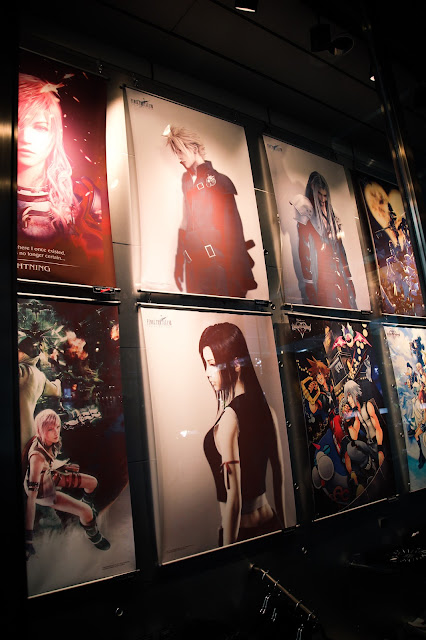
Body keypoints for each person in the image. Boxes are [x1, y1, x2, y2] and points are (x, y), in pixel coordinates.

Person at [199, 322, 286, 547]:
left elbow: (234, 499)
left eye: (212, 364)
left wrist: (227, 551)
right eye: (205, 364)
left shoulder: (230, 418)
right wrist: (285, 528)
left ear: (237, 363)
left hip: (242, 534)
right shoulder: (268, 411)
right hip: (272, 523)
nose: (207, 373)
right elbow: (280, 478)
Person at [163, 124, 257, 298]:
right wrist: (179, 262)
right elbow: (186, 220)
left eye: (180, 151)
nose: (179, 158)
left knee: (220, 309)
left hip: (217, 264)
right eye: (176, 153)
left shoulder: (220, 181)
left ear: (194, 148)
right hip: (193, 264)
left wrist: (240, 275)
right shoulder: (186, 180)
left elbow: (234, 230)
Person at [17, 73, 103, 245]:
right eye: (17, 125)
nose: (25, 138)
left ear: (55, 134)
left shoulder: (84, 196)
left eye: (40, 127)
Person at [24, 409, 110, 559]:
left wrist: (62, 467)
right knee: (86, 512)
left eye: (57, 427)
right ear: (41, 430)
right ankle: (93, 535)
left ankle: (86, 503)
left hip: (50, 476)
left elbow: (66, 418)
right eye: (50, 429)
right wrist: (28, 538)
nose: (56, 432)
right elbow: (31, 499)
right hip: (44, 493)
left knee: (92, 483)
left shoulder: (49, 440)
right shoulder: (36, 457)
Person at [292, 171, 356, 308]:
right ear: (313, 192)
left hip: (339, 272)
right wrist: (309, 282)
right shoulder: (306, 213)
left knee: (347, 308)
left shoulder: (332, 215)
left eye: (325, 195)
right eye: (319, 194)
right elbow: (304, 250)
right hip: (321, 275)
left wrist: (349, 278)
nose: (322, 199)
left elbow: (341, 249)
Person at [18, 336, 62, 453]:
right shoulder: (40, 376)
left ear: (23, 354)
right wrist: (58, 381)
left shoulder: (21, 370)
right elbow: (56, 391)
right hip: (30, 432)